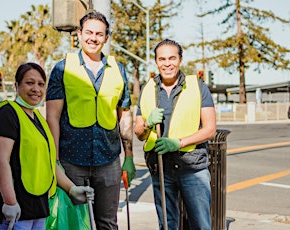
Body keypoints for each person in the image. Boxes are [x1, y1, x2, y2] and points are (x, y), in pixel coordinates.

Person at [46, 11, 135, 229]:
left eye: (99, 34)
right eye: (88, 33)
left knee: (107, 223)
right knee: (76, 223)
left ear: (106, 37)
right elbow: (53, 116)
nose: (93, 38)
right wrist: (55, 160)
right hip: (71, 161)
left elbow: (124, 114)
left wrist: (129, 157)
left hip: (109, 161)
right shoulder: (62, 68)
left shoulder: (118, 69)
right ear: (79, 34)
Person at [0, 62, 94, 230]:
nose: (36, 89)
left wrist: (72, 189)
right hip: (14, 210)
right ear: (17, 85)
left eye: (40, 84)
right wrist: (10, 202)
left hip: (39, 207)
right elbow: (1, 161)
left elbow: (49, 163)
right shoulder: (7, 114)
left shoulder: (38, 118)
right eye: (29, 83)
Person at [134, 39, 216, 230]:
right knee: (167, 225)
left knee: (201, 225)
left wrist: (178, 143)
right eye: (162, 59)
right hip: (161, 168)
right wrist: (147, 123)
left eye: (172, 58)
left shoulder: (197, 87)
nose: (167, 63)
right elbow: (138, 132)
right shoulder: (148, 90)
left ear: (180, 60)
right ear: (156, 62)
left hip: (192, 168)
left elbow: (210, 129)